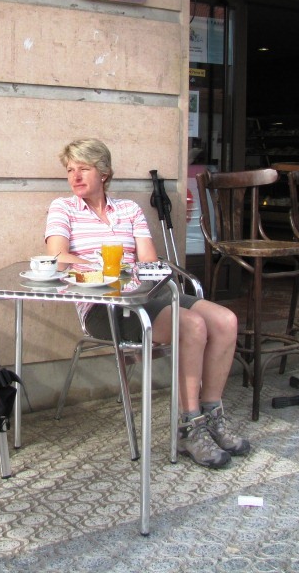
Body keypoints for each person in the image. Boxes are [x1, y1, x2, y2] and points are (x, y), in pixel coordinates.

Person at [45, 137, 249, 469]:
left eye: (83, 169)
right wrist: (105, 269)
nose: (75, 177)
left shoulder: (129, 210)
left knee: (226, 320)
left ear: (104, 172)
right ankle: (190, 427)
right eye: (70, 170)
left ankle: (212, 416)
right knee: (192, 326)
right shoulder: (63, 208)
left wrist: (135, 272)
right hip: (103, 306)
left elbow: (149, 260)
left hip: (145, 295)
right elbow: (58, 256)